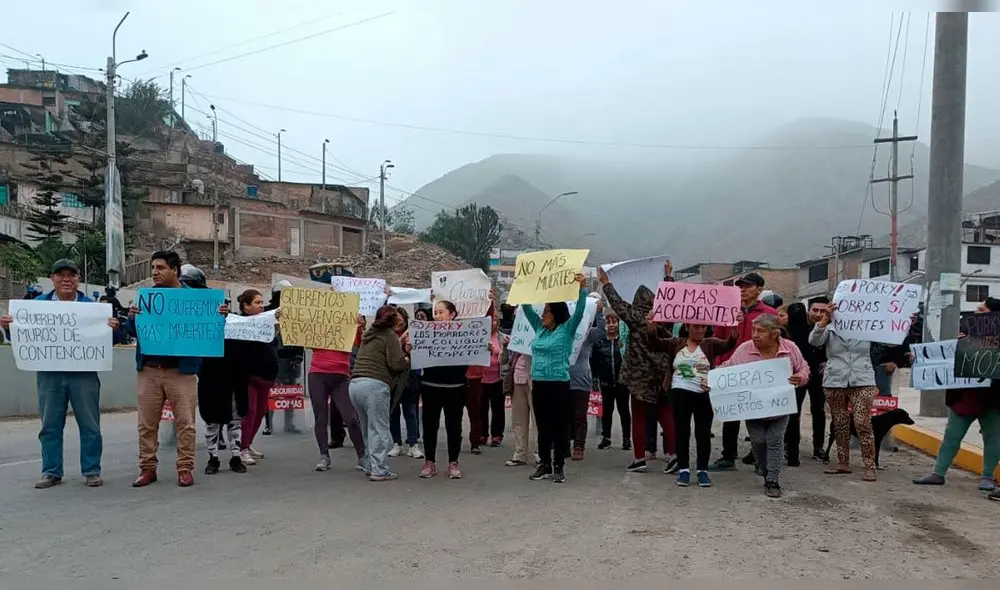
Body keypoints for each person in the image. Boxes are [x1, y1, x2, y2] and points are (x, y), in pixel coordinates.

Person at [0, 259, 121, 489]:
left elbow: (111, 340)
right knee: (50, 425)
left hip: (84, 374)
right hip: (49, 373)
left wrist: (113, 329)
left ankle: (91, 470)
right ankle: (51, 471)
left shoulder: (93, 308)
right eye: (60, 275)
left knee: (90, 424)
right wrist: (9, 327)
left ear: (78, 279)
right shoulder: (36, 305)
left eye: (71, 275)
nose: (66, 279)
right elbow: (20, 336)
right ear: (52, 278)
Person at [126, 251, 227, 488]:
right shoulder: (146, 298)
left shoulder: (197, 301)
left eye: (160, 267)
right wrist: (132, 319)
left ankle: (185, 468)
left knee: (186, 424)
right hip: (149, 370)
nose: (154, 272)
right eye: (153, 267)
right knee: (146, 424)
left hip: (181, 372)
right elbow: (133, 332)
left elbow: (211, 332)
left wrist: (220, 316)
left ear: (175, 270)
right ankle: (147, 468)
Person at [716, 314, 809, 498]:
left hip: (779, 407)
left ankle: (772, 480)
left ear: (774, 334)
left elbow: (803, 367)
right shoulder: (744, 349)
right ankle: (764, 466)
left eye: (760, 331)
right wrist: (712, 377)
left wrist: (801, 377)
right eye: (753, 330)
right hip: (754, 408)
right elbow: (729, 368)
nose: (755, 335)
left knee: (775, 440)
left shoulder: (789, 348)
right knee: (758, 440)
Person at [914, 298, 1000, 493]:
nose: (976, 312)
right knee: (952, 436)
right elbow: (944, 358)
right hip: (964, 397)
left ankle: (987, 476)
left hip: (993, 399)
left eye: (982, 309)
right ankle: (938, 473)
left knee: (993, 439)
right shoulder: (964, 333)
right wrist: (921, 358)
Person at [598, 263, 676, 474]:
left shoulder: (637, 318)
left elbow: (617, 303)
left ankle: (639, 458)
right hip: (661, 375)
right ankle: (674, 455)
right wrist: (668, 277)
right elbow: (670, 298)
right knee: (665, 413)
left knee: (639, 417)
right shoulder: (665, 318)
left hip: (638, 376)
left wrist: (606, 283)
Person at [645, 322, 737, 487]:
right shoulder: (675, 343)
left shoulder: (710, 343)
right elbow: (654, 344)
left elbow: (728, 344)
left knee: (703, 433)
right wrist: (651, 327)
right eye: (696, 327)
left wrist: (734, 330)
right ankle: (684, 469)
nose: (700, 330)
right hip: (680, 392)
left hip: (703, 393)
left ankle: (702, 470)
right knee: (682, 431)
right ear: (688, 327)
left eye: (703, 327)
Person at [708, 272, 778, 472]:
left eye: (748, 286)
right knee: (730, 415)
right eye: (740, 286)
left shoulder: (769, 314)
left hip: (759, 371)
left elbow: (776, 343)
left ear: (759, 289)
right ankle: (728, 456)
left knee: (759, 417)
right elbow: (718, 339)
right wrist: (719, 364)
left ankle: (759, 458)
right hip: (732, 370)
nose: (743, 289)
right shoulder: (727, 312)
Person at [523, 273, 589, 484]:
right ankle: (544, 464)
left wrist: (582, 289)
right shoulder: (539, 329)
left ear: (556, 314)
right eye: (543, 311)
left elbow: (579, 311)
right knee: (542, 425)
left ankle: (558, 465)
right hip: (540, 383)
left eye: (547, 312)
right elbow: (526, 309)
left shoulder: (566, 330)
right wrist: (523, 287)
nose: (543, 315)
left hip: (559, 383)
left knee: (559, 426)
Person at [809, 301, 879, 482]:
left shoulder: (867, 326)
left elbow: (890, 340)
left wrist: (903, 326)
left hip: (862, 379)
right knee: (840, 422)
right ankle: (843, 462)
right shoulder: (830, 326)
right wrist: (825, 319)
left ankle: (870, 465)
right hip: (835, 380)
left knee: (862, 421)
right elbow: (814, 341)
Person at [191, 268, 249, 475]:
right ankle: (213, 457)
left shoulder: (235, 324)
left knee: (234, 421)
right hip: (210, 378)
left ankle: (235, 456)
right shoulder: (198, 325)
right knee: (212, 421)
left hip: (233, 379)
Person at [350, 305, 412, 481]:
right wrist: (407, 357)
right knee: (379, 428)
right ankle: (380, 469)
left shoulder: (369, 334)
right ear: (393, 321)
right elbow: (396, 364)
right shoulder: (390, 335)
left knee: (367, 427)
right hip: (375, 385)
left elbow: (382, 351)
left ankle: (370, 464)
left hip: (355, 384)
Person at [308, 315, 367, 472]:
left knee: (352, 418)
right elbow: (301, 336)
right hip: (318, 375)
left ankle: (362, 457)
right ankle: (324, 456)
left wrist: (360, 327)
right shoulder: (317, 328)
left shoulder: (349, 329)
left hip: (341, 377)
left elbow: (360, 344)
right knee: (320, 418)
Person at [419, 300, 470, 479]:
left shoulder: (464, 334)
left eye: (441, 312)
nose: (437, 316)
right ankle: (429, 462)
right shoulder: (425, 333)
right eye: (435, 313)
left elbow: (472, 355)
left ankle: (453, 463)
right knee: (429, 426)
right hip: (430, 386)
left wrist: (482, 349)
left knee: (454, 427)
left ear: (452, 314)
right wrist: (409, 348)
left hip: (455, 387)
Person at [234, 289, 279, 467]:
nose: (261, 306)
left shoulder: (267, 320)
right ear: (246, 306)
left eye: (262, 303)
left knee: (260, 413)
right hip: (248, 376)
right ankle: (242, 448)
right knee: (250, 411)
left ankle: (248, 444)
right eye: (257, 303)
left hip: (266, 377)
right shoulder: (238, 323)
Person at [778, 302, 819, 466]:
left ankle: (787, 449)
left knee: (788, 414)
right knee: (801, 414)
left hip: (790, 377)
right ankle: (794, 454)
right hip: (808, 375)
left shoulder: (787, 337)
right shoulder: (809, 332)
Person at [264, 280, 303, 436]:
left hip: (290, 357)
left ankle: (289, 423)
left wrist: (299, 353)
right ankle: (268, 424)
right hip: (273, 357)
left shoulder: (295, 314)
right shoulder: (267, 312)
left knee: (290, 391)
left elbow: (300, 334)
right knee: (271, 391)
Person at [389, 307, 423, 459]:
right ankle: (397, 444)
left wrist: (411, 350)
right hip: (391, 378)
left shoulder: (414, 333)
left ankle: (413, 444)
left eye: (400, 320)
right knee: (393, 413)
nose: (398, 323)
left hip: (409, 378)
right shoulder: (387, 335)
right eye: (395, 320)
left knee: (410, 412)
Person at [569, 298, 601, 460]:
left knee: (579, 415)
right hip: (562, 377)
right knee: (564, 414)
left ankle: (579, 446)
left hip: (581, 379)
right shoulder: (563, 330)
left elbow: (601, 333)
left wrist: (600, 312)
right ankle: (565, 443)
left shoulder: (588, 333)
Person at [595, 311, 631, 450]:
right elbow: (595, 362)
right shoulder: (600, 342)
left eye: (614, 322)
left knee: (624, 410)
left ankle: (626, 438)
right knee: (607, 410)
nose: (611, 325)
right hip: (606, 382)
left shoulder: (622, 342)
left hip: (622, 382)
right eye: (608, 322)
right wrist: (596, 379)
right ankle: (606, 437)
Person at [503, 338, 537, 467]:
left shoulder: (541, 333)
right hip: (517, 380)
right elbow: (503, 360)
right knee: (518, 420)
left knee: (537, 420)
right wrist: (506, 346)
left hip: (535, 379)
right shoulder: (518, 336)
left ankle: (539, 455)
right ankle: (520, 454)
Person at [804, 297, 830, 460]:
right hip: (798, 373)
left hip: (820, 375)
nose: (819, 314)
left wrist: (828, 362)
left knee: (818, 410)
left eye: (823, 311)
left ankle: (818, 446)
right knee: (793, 411)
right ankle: (787, 445)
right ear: (809, 311)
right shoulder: (798, 326)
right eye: (815, 310)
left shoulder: (834, 327)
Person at [480, 313, 505, 447]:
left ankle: (497, 435)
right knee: (481, 407)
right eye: (489, 319)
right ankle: (482, 434)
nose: (492, 322)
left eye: (494, 319)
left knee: (498, 408)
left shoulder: (502, 338)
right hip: (482, 378)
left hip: (497, 377)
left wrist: (501, 349)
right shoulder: (479, 336)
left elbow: (506, 357)